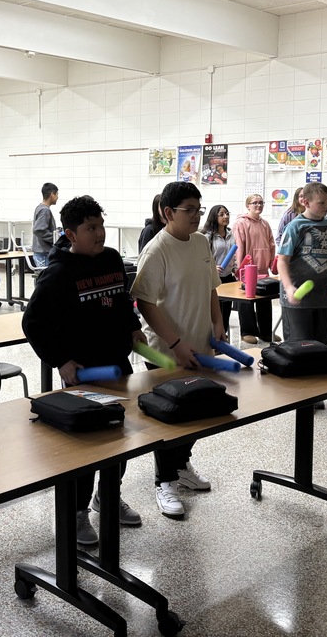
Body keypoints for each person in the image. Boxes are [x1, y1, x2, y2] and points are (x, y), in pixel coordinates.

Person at [22, 195, 146, 545]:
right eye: (91, 228)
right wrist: (61, 360)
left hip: (117, 367)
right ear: (71, 234)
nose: (99, 233)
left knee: (120, 434)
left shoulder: (111, 259)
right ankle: (77, 511)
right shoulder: (58, 273)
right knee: (88, 444)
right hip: (83, 375)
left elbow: (122, 301)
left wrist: (133, 327)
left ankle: (108, 495)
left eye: (101, 226)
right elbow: (33, 323)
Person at [131, 181, 222, 519]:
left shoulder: (200, 242)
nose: (196, 216)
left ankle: (181, 465)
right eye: (189, 210)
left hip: (201, 344)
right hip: (165, 351)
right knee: (169, 417)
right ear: (168, 213)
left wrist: (218, 323)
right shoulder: (157, 250)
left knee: (197, 410)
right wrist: (175, 344)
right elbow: (145, 303)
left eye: (199, 209)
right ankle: (164, 482)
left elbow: (211, 287)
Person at [276, 183, 327, 343]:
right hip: (297, 296)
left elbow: (326, 257)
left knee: (319, 345)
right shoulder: (295, 226)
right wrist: (289, 288)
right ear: (306, 202)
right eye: (321, 202)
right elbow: (282, 261)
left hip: (321, 297)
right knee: (299, 346)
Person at [232, 193, 276, 345]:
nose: (258, 205)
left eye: (261, 202)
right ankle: (248, 331)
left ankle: (266, 332)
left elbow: (271, 245)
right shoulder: (241, 223)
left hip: (263, 268)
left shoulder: (265, 224)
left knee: (265, 299)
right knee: (247, 299)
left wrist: (272, 263)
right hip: (247, 270)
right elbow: (238, 246)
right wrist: (239, 268)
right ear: (248, 206)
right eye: (255, 203)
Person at [199, 204, 237, 336]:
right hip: (213, 278)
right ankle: (212, 336)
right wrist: (212, 267)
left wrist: (235, 267)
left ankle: (222, 335)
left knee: (226, 310)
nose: (225, 216)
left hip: (228, 277)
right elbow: (201, 258)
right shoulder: (206, 236)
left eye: (227, 213)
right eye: (221, 214)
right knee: (214, 310)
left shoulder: (230, 234)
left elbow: (232, 255)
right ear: (214, 217)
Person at [32, 182, 59, 268]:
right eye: (57, 194)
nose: (57, 197)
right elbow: (38, 230)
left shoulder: (40, 208)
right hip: (43, 254)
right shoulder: (45, 210)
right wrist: (55, 238)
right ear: (52, 194)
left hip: (41, 253)